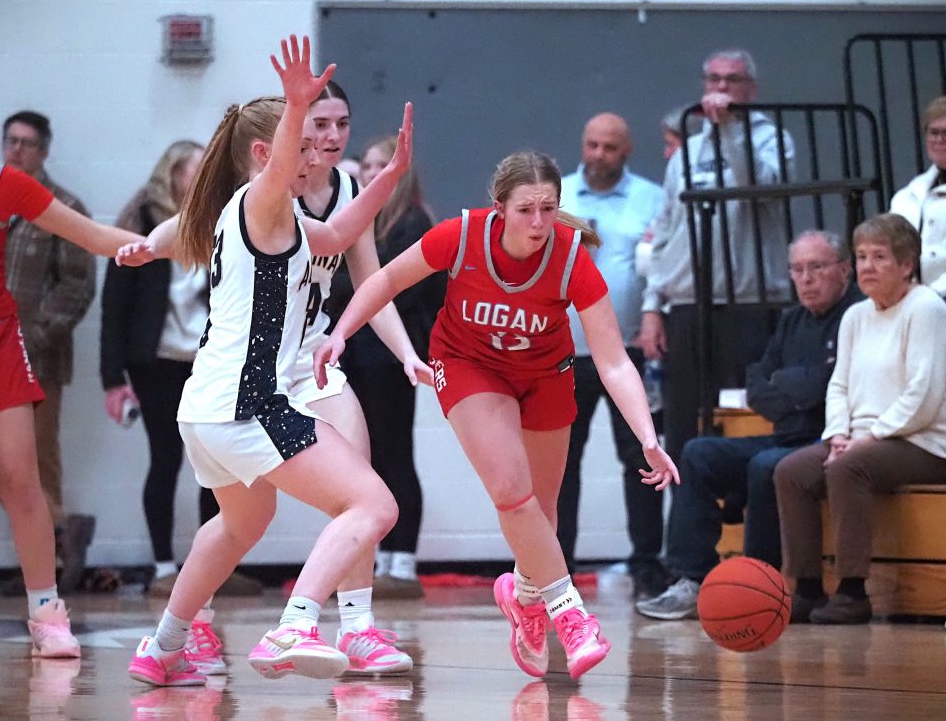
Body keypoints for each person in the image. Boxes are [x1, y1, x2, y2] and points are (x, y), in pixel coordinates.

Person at [120, 34, 417, 687]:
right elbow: (284, 165)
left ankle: (163, 644)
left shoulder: (259, 214)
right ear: (269, 152)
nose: (320, 151)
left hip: (205, 409)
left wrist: (386, 179)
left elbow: (339, 236)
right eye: (305, 141)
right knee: (373, 504)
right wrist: (294, 105)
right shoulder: (263, 199)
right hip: (248, 404)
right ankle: (297, 623)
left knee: (241, 524)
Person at [315, 150, 679, 681]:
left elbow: (614, 361)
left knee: (542, 512)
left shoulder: (571, 256)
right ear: (500, 208)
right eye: (526, 209)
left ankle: (526, 596)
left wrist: (647, 436)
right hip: (468, 365)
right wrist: (340, 332)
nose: (538, 223)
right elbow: (385, 281)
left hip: (545, 373)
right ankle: (569, 611)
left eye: (548, 209)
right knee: (512, 491)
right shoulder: (461, 236)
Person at [0, 71, 144, 656]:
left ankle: (47, 611)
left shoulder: (1, 185)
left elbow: (92, 236)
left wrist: (171, 243)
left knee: (25, 481)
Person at [636, 230, 864, 620]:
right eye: (797, 269)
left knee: (766, 464)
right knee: (698, 451)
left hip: (832, 438)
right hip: (786, 433)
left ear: (844, 270)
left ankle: (760, 585)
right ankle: (690, 578)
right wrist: (799, 387)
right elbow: (757, 384)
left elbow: (834, 386)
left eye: (817, 268)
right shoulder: (791, 319)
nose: (806, 279)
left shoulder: (857, 316)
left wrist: (793, 385)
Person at [100, 139, 261, 602]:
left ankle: (215, 565)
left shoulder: (225, 221)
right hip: (158, 363)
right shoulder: (142, 224)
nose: (202, 179)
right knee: (166, 459)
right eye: (194, 171)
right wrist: (113, 379)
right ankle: (164, 566)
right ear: (170, 176)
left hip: (211, 362)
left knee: (217, 464)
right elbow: (115, 309)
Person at [775, 214, 946, 625]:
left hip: (923, 442)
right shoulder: (856, 316)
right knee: (791, 471)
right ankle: (808, 588)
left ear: (907, 265)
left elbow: (924, 395)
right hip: (860, 440)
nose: (867, 266)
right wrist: (837, 434)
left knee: (849, 469)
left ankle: (853, 591)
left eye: (880, 257)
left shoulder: (926, 308)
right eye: (863, 256)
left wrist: (867, 438)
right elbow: (839, 387)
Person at [640, 48, 797, 474]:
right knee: (683, 423)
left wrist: (730, 131)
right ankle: (687, 533)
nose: (721, 89)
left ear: (752, 89)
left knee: (744, 418)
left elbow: (761, 188)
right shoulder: (688, 150)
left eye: (732, 80)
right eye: (714, 80)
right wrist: (653, 306)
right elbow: (667, 230)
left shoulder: (773, 140)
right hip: (690, 305)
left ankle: (745, 532)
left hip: (750, 303)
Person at [554, 112, 667, 598]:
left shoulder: (652, 198)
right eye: (592, 145)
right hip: (562, 351)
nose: (599, 155)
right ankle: (557, 569)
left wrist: (655, 313)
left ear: (627, 151)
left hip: (627, 352)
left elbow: (662, 266)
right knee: (561, 462)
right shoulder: (555, 195)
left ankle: (646, 565)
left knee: (640, 456)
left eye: (609, 148)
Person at [0, 110, 97, 596]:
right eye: (10, 141)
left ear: (44, 151)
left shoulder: (62, 207)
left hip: (37, 357)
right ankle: (60, 529)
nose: (16, 151)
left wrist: (33, 336)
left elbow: (78, 286)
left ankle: (46, 565)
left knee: (37, 458)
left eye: (27, 144)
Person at [336, 135, 446, 599]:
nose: (369, 175)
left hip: (391, 358)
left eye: (381, 167)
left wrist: (347, 286)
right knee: (369, 457)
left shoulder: (412, 223)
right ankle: (382, 557)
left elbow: (385, 290)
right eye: (366, 167)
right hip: (357, 354)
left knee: (396, 454)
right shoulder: (365, 223)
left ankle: (404, 561)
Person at [891, 95, 946, 296]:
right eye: (934, 133)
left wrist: (929, 296)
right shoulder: (906, 195)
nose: (940, 140)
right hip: (909, 301)